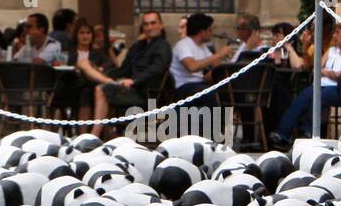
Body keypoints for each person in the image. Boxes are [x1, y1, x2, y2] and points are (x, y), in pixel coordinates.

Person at [270, 20, 341, 148]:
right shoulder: (332, 51)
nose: (334, 36)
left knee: (320, 95)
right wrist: (328, 73)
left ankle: (307, 132)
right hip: (322, 85)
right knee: (303, 96)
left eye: (337, 33)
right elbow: (316, 67)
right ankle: (282, 133)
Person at [76, 10, 170, 139]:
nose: (149, 27)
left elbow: (158, 68)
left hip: (147, 93)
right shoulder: (138, 46)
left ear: (161, 25)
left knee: (101, 89)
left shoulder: (163, 46)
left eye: (153, 23)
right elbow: (123, 70)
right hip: (129, 87)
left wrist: (134, 81)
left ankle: (94, 136)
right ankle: (106, 133)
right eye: (146, 24)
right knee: (86, 71)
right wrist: (106, 74)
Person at [170, 12, 229, 105]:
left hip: (199, 85)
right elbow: (192, 67)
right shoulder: (183, 45)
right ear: (202, 32)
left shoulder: (203, 47)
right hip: (184, 87)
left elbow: (218, 67)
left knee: (226, 92)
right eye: (210, 30)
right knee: (212, 95)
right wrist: (218, 55)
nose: (211, 33)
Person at [69, 17, 111, 121]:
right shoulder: (70, 53)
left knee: (87, 93)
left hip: (92, 87)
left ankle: (85, 131)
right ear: (76, 35)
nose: (85, 36)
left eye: (88, 33)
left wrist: (100, 68)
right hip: (72, 86)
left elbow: (109, 64)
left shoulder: (97, 53)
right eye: (82, 33)